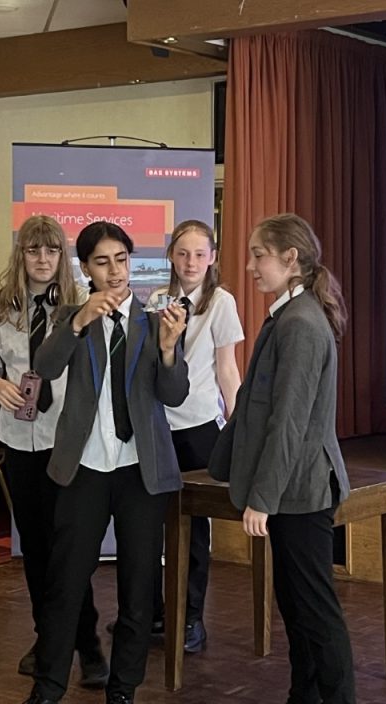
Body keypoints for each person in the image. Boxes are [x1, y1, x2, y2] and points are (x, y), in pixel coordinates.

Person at [17, 221, 189, 704]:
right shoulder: (70, 316)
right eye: (102, 262)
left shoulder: (155, 319)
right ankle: (47, 693)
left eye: (121, 260)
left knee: (138, 589)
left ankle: (122, 694)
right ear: (86, 269)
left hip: (140, 471)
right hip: (85, 468)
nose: (114, 271)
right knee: (65, 584)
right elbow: (45, 367)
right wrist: (77, 322)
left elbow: (174, 394)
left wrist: (169, 350)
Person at [208, 213, 356, 704]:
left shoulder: (300, 323)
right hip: (292, 486)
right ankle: (304, 701)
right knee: (295, 604)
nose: (250, 266)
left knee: (315, 608)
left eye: (259, 255)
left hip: (301, 489)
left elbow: (289, 422)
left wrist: (262, 498)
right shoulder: (289, 315)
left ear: (290, 259)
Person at [0, 215, 108, 687]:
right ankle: (47, 637)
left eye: (51, 250)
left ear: (62, 257)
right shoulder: (2, 307)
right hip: (20, 441)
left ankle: (88, 645)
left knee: (68, 552)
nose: (43, 259)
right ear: (22, 255)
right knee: (34, 549)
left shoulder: (80, 306)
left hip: (66, 445)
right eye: (34, 250)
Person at [145, 220, 243, 653]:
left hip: (200, 427)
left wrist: (238, 428)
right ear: (170, 255)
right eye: (183, 253)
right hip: (158, 427)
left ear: (212, 258)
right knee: (149, 524)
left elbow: (227, 368)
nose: (190, 263)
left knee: (194, 529)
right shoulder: (156, 300)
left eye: (200, 255)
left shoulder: (221, 302)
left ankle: (190, 619)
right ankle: (151, 613)